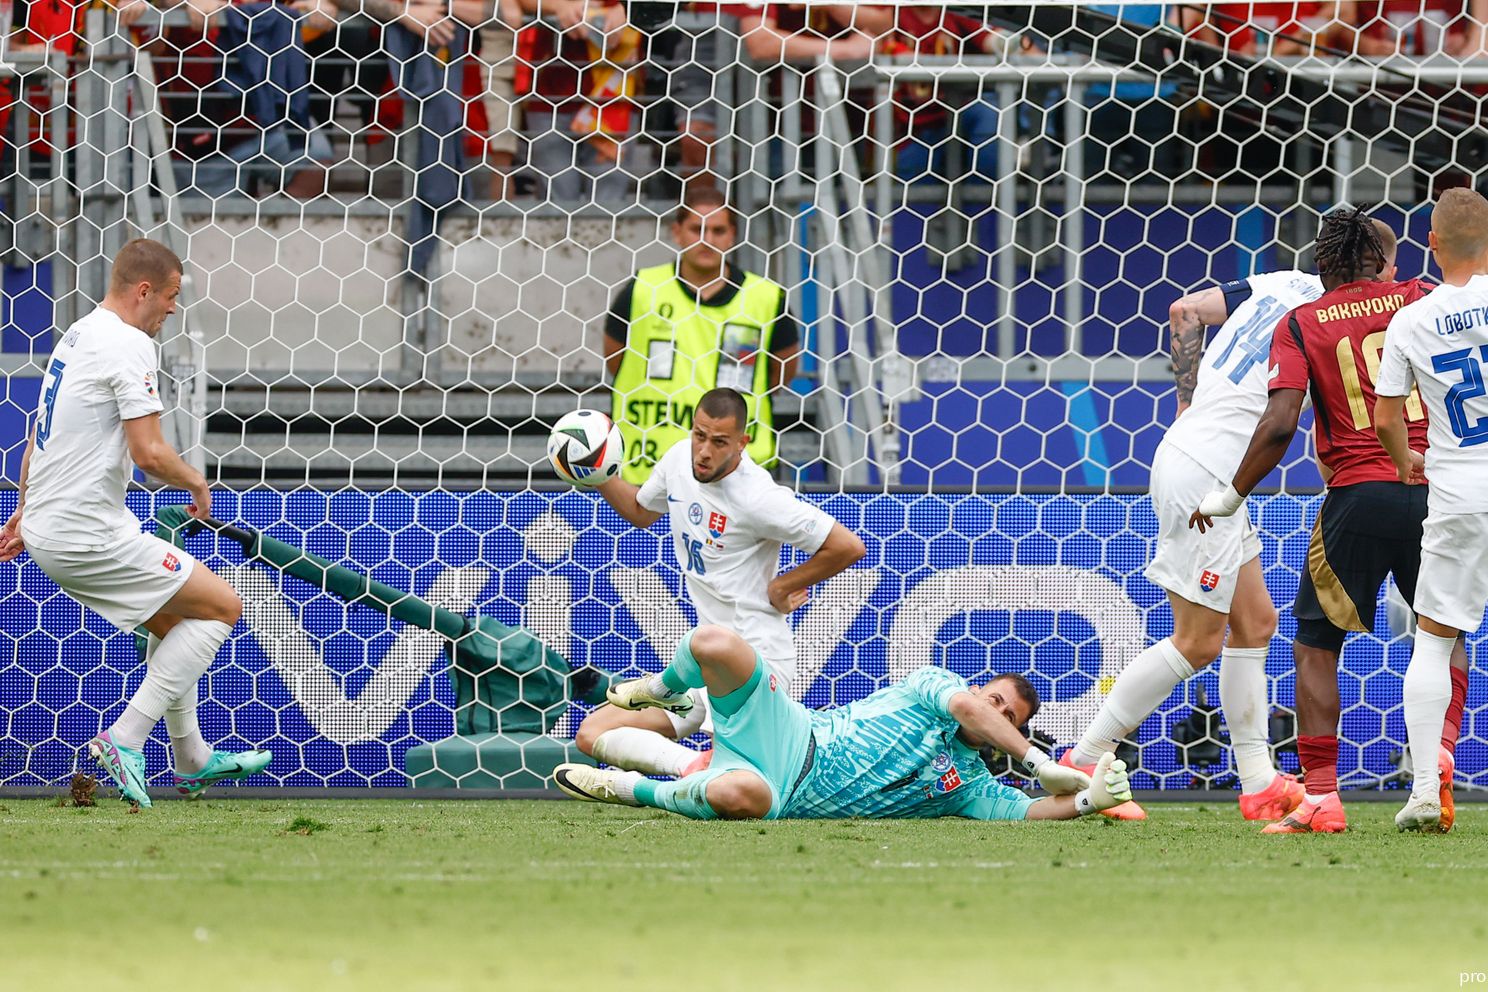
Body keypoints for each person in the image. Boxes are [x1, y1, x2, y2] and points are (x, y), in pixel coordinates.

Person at [1190, 208, 1468, 834]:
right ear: (1385, 264)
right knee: (1442, 629)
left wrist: (1231, 494)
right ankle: (1438, 755)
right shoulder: (1424, 297)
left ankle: (1321, 798)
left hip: (1358, 495)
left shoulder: (1303, 320)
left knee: (1317, 645)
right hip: (1440, 489)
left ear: (1322, 268)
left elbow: (1282, 422)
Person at [0, 239, 270, 807]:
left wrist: (27, 509)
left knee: (179, 623)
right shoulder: (127, 345)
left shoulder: (79, 333)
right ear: (144, 290)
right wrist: (198, 481)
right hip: (85, 529)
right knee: (223, 606)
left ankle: (192, 758)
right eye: (171, 296)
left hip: (56, 522)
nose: (173, 309)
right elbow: (148, 454)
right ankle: (124, 740)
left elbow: (38, 437)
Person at [1059, 266, 1324, 822]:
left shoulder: (1284, 282)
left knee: (1256, 623)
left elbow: (1184, 310)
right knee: (1196, 641)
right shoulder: (1331, 316)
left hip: (1207, 464)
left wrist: (1186, 403)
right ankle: (1086, 757)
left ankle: (1258, 783)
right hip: (1210, 475)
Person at [555, 624, 1134, 822]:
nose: (996, 714)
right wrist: (1035, 761)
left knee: (737, 793)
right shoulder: (933, 686)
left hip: (782, 792)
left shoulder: (968, 788)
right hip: (792, 732)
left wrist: (1089, 800)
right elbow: (966, 708)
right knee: (715, 643)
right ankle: (662, 689)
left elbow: (1029, 810)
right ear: (976, 690)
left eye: (1011, 717)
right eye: (996, 700)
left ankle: (631, 791)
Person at [573, 387, 865, 777]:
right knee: (592, 733)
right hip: (704, 666)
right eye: (699, 435)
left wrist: (781, 587)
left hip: (756, 662)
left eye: (720, 441)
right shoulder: (679, 459)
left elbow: (847, 546)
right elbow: (642, 512)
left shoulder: (758, 497)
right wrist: (599, 473)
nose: (704, 451)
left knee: (740, 782)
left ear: (743, 443)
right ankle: (692, 767)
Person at [1374, 187, 1488, 832]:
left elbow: (1389, 416)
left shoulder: (1411, 321)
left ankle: (1422, 792)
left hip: (1460, 491)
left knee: (1434, 641)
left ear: (1432, 244)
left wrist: (1404, 460)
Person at [605, 187, 800, 482]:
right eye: (697, 229)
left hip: (739, 473)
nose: (707, 240)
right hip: (649, 467)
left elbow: (781, 370)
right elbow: (616, 359)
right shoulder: (643, 290)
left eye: (718, 230)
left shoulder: (764, 298)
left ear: (733, 235)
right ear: (677, 232)